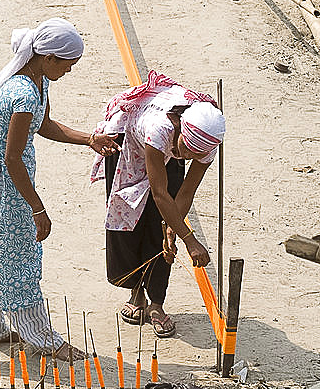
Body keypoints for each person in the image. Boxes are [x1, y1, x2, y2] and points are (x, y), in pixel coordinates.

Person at [0, 18, 119, 358]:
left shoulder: (38, 82)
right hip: (7, 188)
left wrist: (90, 140)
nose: (68, 71)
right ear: (48, 57)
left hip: (9, 182)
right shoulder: (22, 93)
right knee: (17, 259)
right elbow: (12, 159)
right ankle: (42, 337)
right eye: (67, 65)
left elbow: (45, 124)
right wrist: (38, 208)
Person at [91, 70, 225, 338]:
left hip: (166, 148)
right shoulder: (159, 130)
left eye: (193, 155)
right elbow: (160, 193)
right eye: (186, 150)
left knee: (160, 231)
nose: (186, 157)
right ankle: (136, 292)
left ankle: (157, 304)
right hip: (129, 143)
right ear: (180, 131)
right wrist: (191, 240)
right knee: (131, 218)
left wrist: (173, 229)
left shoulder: (206, 145)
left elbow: (185, 192)